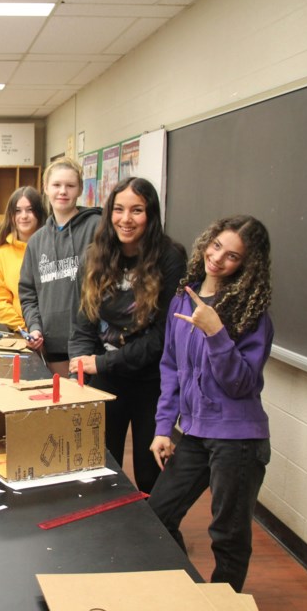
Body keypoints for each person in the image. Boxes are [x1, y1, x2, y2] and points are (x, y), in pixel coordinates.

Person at [147, 215, 274, 593]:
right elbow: (170, 367)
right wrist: (162, 428)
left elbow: (242, 384)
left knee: (228, 534)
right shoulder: (181, 300)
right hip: (196, 431)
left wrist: (216, 331)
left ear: (246, 266)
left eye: (232, 256)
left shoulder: (252, 315)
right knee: (157, 514)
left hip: (238, 438)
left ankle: (224, 600)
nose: (217, 259)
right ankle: (191, 593)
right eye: (216, 246)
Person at [67, 178, 185, 494]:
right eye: (118, 209)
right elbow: (83, 323)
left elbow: (163, 338)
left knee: (151, 475)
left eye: (137, 210)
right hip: (106, 378)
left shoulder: (169, 257)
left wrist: (100, 364)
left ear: (151, 214)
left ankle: (162, 538)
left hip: (151, 381)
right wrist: (79, 365)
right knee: (101, 468)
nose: (126, 219)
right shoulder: (96, 254)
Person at [18, 158, 101, 376]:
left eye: (70, 186)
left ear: (80, 189)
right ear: (45, 188)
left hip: (90, 346)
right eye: (56, 185)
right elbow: (28, 293)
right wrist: (34, 327)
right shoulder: (36, 242)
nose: (62, 192)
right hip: (51, 347)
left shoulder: (97, 228)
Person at [0, 186, 48, 331]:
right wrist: (26, 329)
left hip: (56, 334)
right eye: (18, 211)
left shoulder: (54, 248)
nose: (24, 216)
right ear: (11, 216)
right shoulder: (0, 255)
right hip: (22, 334)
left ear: (39, 213)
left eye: (30, 210)